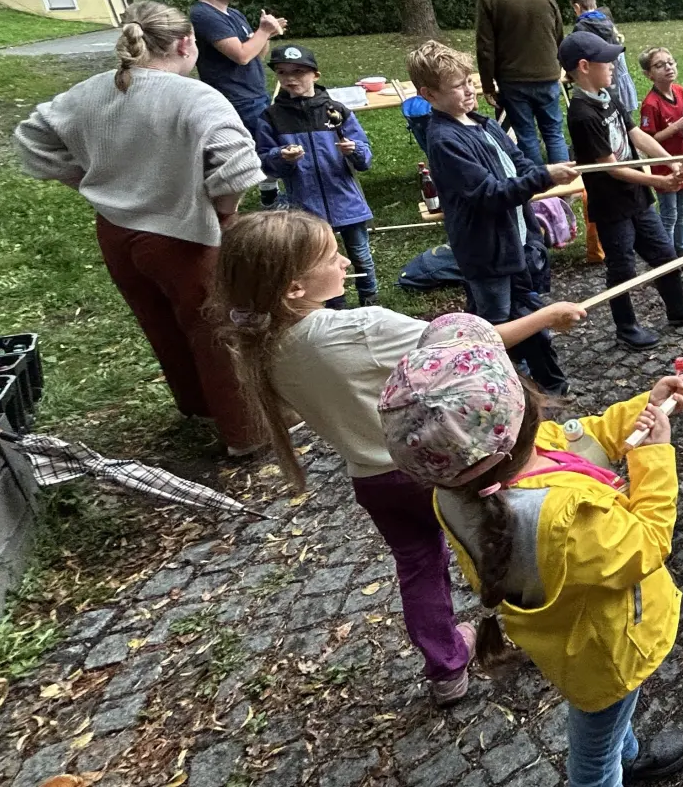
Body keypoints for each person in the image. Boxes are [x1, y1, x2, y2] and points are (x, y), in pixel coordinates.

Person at [213, 210, 587, 705]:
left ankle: (447, 668)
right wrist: (547, 317)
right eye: (330, 256)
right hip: (440, 472)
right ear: (293, 290)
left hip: (372, 482)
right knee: (508, 543)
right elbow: (473, 347)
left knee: (418, 567)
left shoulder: (260, 344)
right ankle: (545, 630)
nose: (345, 261)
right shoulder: (361, 328)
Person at [377, 319, 683, 786]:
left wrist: (645, 409)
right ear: (522, 414)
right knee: (593, 757)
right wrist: (654, 457)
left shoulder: (463, 482)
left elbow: (584, 439)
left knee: (607, 726)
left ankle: (627, 756)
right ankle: (614, 768)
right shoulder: (566, 520)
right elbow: (648, 542)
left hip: (573, 639)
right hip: (607, 646)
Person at [13, 1, 263, 456]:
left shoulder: (86, 93)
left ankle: (199, 406)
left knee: (161, 322)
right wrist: (223, 211)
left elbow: (30, 138)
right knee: (217, 331)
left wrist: (89, 182)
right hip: (185, 235)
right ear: (186, 43)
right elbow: (239, 169)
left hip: (116, 232)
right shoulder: (195, 96)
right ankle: (246, 435)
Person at [408, 40, 580, 394]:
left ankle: (551, 386)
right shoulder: (443, 140)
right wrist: (544, 177)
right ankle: (498, 390)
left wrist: (546, 171)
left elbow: (518, 164)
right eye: (458, 86)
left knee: (529, 317)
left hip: (515, 243)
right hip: (486, 254)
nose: (470, 89)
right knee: (496, 327)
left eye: (469, 80)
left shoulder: (482, 123)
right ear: (429, 94)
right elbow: (489, 196)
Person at [562, 32, 683, 350]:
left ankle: (678, 308)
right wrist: (659, 181)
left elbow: (636, 136)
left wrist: (671, 162)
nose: (614, 65)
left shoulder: (606, 95)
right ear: (585, 66)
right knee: (623, 267)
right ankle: (626, 327)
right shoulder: (583, 115)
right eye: (607, 60)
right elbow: (611, 167)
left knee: (663, 253)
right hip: (612, 205)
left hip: (637, 197)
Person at [255, 44, 378, 307]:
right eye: (282, 72)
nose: (290, 78)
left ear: (316, 75)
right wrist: (281, 156)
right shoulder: (272, 117)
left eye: (299, 71)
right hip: (306, 208)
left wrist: (354, 150)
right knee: (321, 261)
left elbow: (365, 158)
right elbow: (266, 163)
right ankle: (335, 304)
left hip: (347, 201)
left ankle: (370, 298)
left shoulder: (336, 111)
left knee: (361, 254)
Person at [187, 0, 285, 209]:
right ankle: (224, 209)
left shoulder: (234, 14)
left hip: (255, 92)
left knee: (266, 145)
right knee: (249, 152)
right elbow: (240, 55)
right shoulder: (203, 15)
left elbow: (255, 54)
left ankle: (269, 195)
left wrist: (267, 34)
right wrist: (262, 31)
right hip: (236, 97)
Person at [476, 0, 568, 167]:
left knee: (526, 135)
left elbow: (485, 46)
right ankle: (566, 186)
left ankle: (538, 186)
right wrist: (564, 66)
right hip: (548, 75)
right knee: (554, 131)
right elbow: (559, 34)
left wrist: (487, 85)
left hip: (513, 79)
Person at [637, 46, 683, 268]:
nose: (668, 67)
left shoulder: (680, 92)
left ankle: (681, 254)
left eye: (671, 62)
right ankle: (665, 261)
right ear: (649, 74)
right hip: (665, 167)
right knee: (669, 214)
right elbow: (649, 140)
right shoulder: (650, 105)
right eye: (659, 65)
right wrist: (675, 126)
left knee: (682, 211)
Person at [571, 0, 639, 114]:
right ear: (595, 5)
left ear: (577, 7)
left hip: (594, 74)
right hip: (612, 71)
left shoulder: (581, 27)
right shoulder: (607, 22)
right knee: (613, 102)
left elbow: (578, 52)